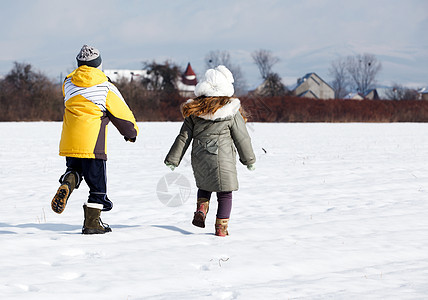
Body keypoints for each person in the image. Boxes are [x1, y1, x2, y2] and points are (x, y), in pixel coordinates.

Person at [52, 45, 139, 234]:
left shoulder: (67, 83)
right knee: (98, 187)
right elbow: (122, 114)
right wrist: (131, 133)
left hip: (70, 141)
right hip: (93, 145)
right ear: (98, 64)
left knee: (75, 169)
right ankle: (92, 224)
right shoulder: (105, 87)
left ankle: (67, 182)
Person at [164, 65, 255, 236]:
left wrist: (173, 159)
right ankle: (221, 228)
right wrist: (249, 160)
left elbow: (183, 136)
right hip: (223, 158)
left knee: (205, 186)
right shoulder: (232, 112)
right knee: (225, 193)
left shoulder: (194, 111)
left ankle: (201, 208)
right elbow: (242, 138)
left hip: (199, 156)